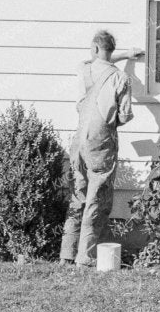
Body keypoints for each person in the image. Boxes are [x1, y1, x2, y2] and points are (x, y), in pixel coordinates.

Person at [60, 30, 142, 267]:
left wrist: (121, 54)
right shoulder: (121, 79)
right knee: (97, 198)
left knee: (77, 195)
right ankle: (85, 257)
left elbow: (97, 60)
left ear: (95, 49)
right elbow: (125, 116)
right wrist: (126, 56)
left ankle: (66, 253)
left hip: (78, 143)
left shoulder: (84, 69)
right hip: (101, 143)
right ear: (111, 50)